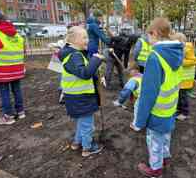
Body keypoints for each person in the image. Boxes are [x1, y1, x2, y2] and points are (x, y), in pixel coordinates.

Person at [134, 18, 184, 177]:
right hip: (170, 107)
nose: (147, 39)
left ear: (154, 33)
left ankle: (155, 168)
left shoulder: (155, 57)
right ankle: (165, 157)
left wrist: (139, 120)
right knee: (166, 134)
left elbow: (148, 94)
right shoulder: (177, 52)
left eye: (148, 35)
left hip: (157, 110)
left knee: (154, 139)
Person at [59, 26, 105, 157]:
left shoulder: (74, 54)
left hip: (76, 97)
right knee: (87, 125)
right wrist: (96, 59)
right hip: (81, 98)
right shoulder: (74, 56)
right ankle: (87, 147)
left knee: (82, 121)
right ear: (73, 40)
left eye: (87, 37)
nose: (88, 40)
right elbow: (84, 73)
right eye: (84, 37)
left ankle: (77, 142)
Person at [171, 32, 196, 121]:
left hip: (186, 79)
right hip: (180, 78)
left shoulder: (188, 48)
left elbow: (193, 61)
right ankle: (179, 110)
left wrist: (181, 62)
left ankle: (185, 112)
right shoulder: (179, 48)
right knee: (178, 94)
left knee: (183, 96)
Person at [113, 63, 142, 131]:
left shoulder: (133, 80)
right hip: (151, 95)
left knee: (137, 108)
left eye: (130, 70)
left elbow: (126, 91)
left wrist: (120, 101)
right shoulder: (142, 76)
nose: (129, 72)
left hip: (142, 97)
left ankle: (136, 125)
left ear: (135, 70)